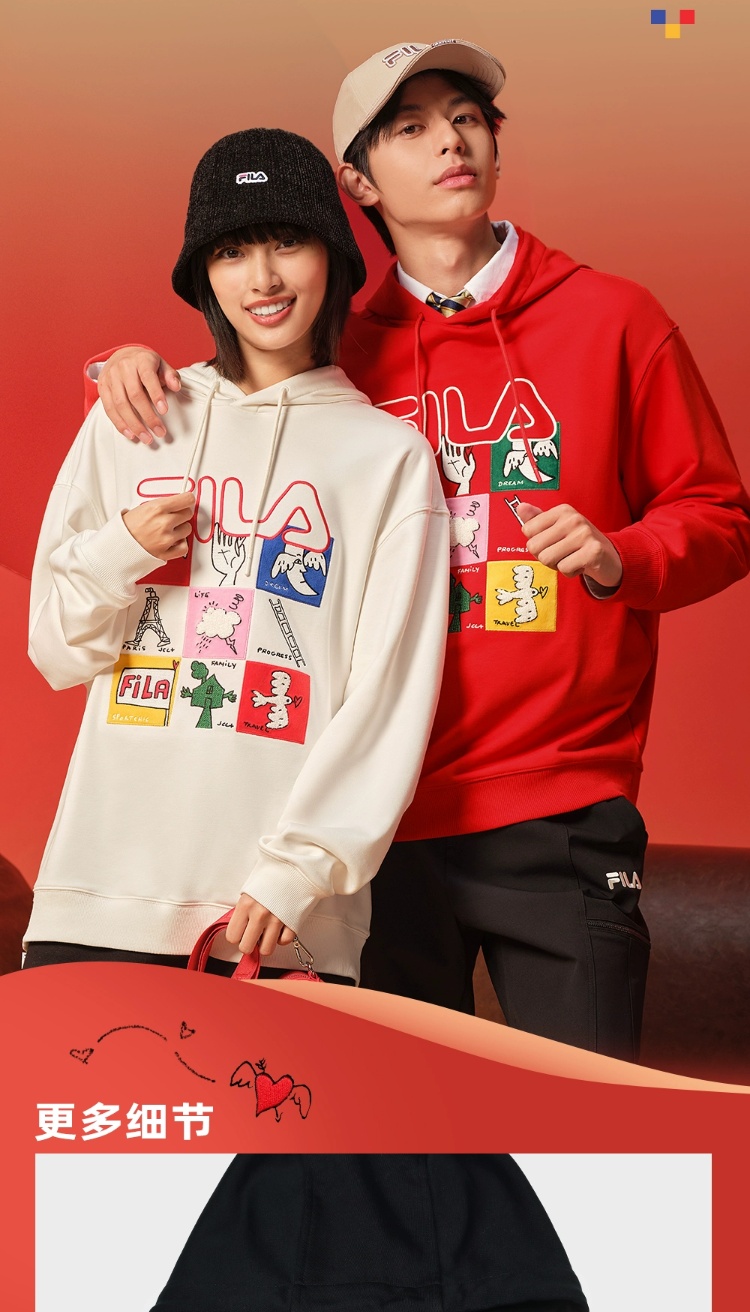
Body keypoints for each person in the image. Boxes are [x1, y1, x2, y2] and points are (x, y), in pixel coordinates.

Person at [82, 40, 750, 1057]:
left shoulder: (616, 319)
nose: (451, 142)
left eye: (468, 118)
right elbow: (217, 409)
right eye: (411, 127)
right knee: (396, 1130)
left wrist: (622, 556)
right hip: (370, 817)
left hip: (560, 797)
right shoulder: (333, 352)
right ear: (358, 182)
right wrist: (128, 364)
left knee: (590, 1123)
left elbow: (720, 515)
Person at [24, 127, 449, 983]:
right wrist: (120, 549)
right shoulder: (136, 416)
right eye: (231, 251)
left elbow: (391, 692)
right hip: (98, 890)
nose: (262, 279)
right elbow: (56, 650)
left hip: (274, 916)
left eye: (287, 242)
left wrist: (299, 871)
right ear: (202, 275)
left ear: (331, 256)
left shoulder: (389, 458)